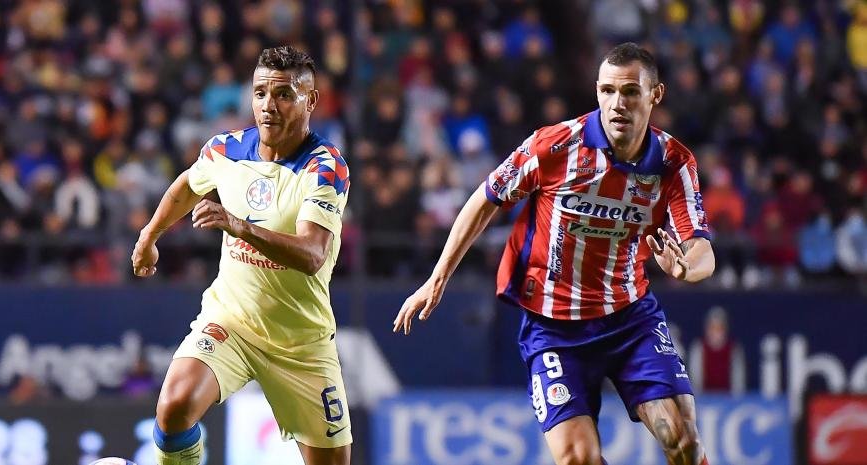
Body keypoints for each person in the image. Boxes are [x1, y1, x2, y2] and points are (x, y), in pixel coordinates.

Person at [395, 43, 716, 465]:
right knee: (577, 459)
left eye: (630, 92)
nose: (617, 104)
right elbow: (485, 199)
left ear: (655, 94)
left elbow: (701, 248)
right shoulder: (556, 146)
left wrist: (686, 268)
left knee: (683, 440)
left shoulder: (674, 163)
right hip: (553, 327)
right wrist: (437, 278)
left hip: (629, 318)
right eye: (607, 91)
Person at [132, 46, 351, 465]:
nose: (269, 106)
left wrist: (239, 226)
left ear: (311, 100)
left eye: (284, 94)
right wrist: (150, 235)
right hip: (231, 321)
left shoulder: (324, 167)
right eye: (260, 93)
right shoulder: (225, 150)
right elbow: (187, 185)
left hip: (301, 344)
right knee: (174, 405)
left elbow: (312, 254)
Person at [688, 306, 745, 394]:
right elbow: (695, 381)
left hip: (728, 398)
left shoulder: (734, 349)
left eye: (719, 329)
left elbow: (738, 383)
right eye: (712, 328)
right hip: (704, 399)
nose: (715, 333)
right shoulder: (699, 348)